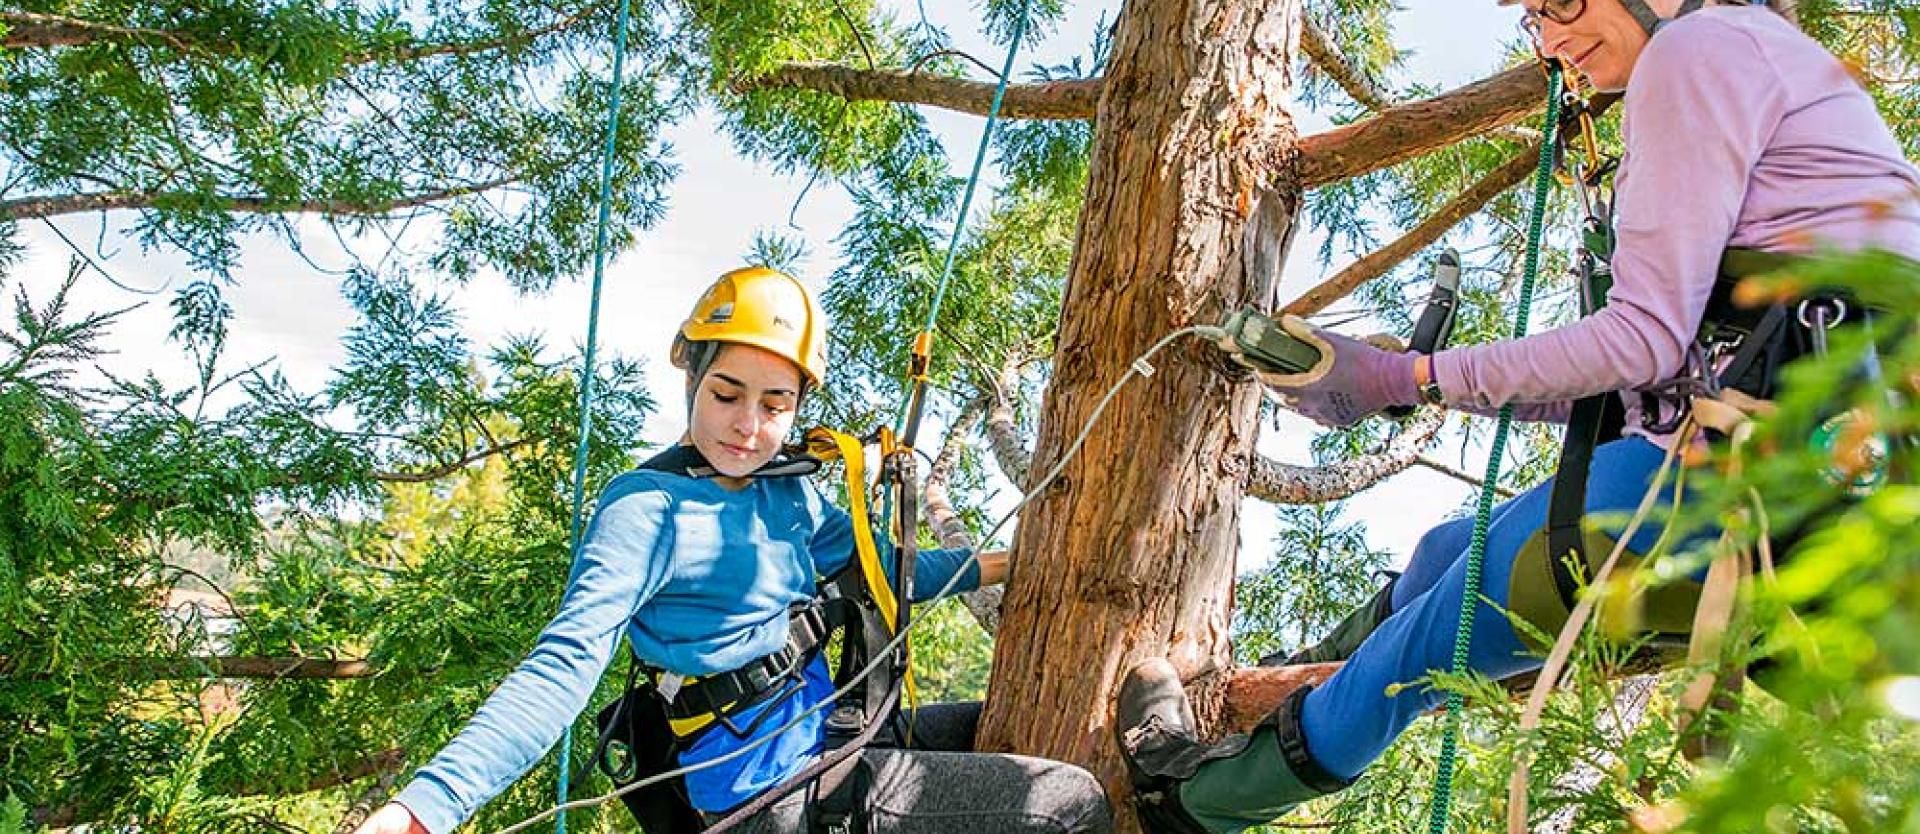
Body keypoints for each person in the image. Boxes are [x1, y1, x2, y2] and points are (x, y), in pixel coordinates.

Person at [1113, 0, 1920, 831]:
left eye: (1562, 2)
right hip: (1805, 471)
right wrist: (1394, 380)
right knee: (1440, 553)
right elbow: (1651, 376)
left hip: (1755, 482)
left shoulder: (1699, 48)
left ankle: (1193, 802)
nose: (1552, 38)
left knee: (1440, 624)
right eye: (1533, 19)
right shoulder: (1753, 56)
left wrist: (1408, 377)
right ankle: (1276, 694)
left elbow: (1638, 341)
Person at [354, 267, 1112, 834]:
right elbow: (558, 670)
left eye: (775, 405)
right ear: (690, 374)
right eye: (726, 394)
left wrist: (1011, 562)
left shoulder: (789, 494)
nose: (748, 425)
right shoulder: (647, 510)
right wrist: (422, 809)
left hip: (824, 731)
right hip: (765, 791)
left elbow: (885, 570)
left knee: (1002, 726)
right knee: (1070, 804)